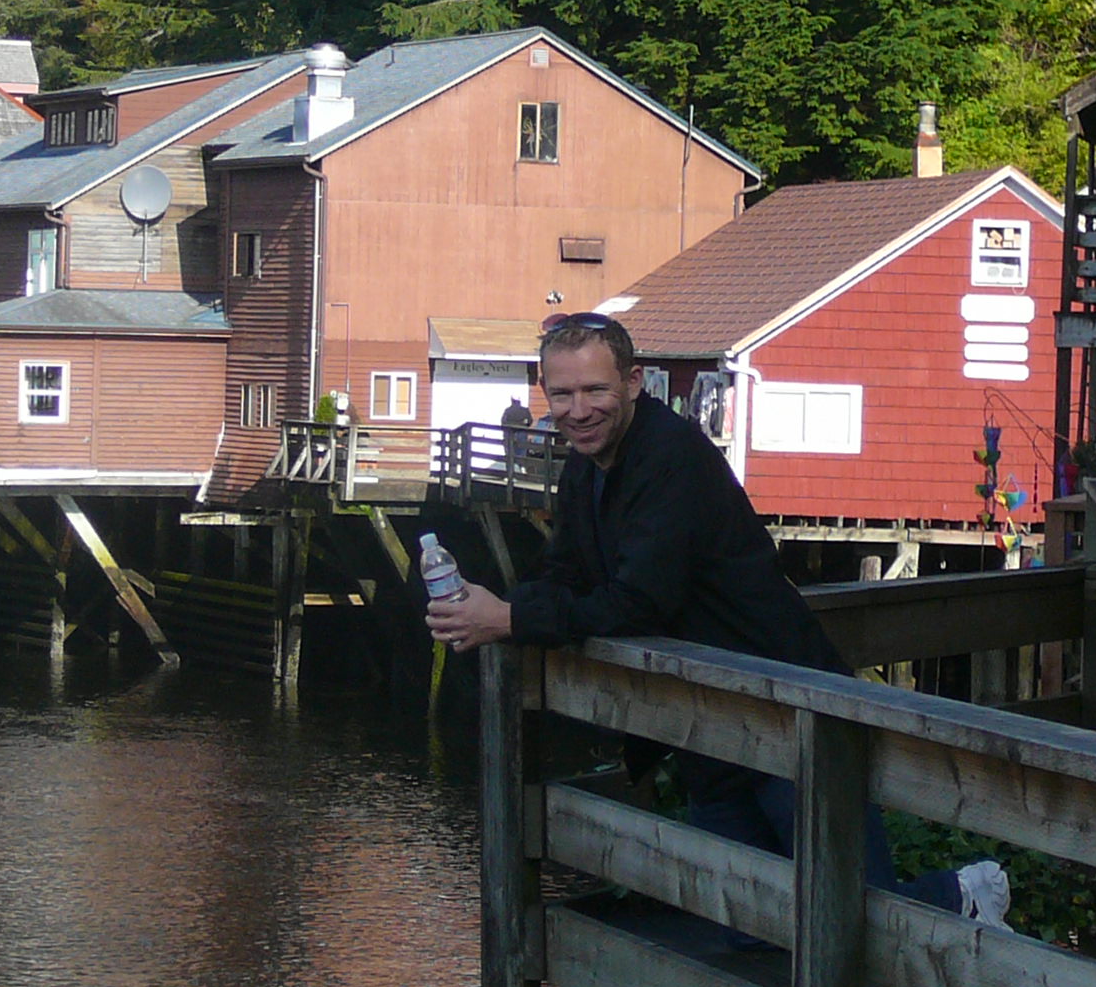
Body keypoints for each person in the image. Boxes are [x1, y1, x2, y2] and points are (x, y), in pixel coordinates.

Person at [427, 311, 1008, 928]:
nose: (578, 410)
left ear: (634, 382)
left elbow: (636, 603)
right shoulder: (585, 469)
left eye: (595, 390)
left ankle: (962, 897)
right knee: (743, 921)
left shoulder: (671, 459)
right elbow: (567, 571)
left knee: (849, 909)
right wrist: (496, 605)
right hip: (708, 718)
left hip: (790, 706)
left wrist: (513, 620)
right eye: (562, 394)